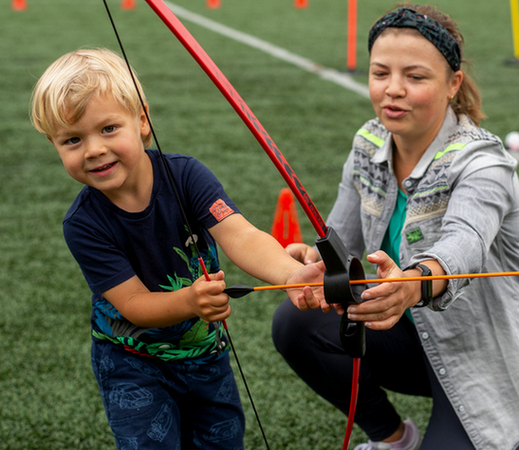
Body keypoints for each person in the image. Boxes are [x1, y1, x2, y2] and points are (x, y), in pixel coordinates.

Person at [271, 5, 519, 450]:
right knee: (296, 322)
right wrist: (316, 260)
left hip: (483, 352)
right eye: (380, 73)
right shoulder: (368, 143)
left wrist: (414, 283)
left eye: (416, 77)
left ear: (452, 84)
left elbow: (465, 243)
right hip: (405, 332)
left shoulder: (484, 163)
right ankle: (394, 439)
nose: (393, 90)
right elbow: (340, 239)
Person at [29, 48, 325, 449]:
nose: (94, 149)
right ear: (54, 145)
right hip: (132, 364)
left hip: (205, 354)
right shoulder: (83, 223)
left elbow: (240, 234)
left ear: (143, 121)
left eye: (109, 129)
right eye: (72, 140)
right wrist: (191, 301)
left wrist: (289, 274)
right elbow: (133, 303)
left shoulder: (186, 175)